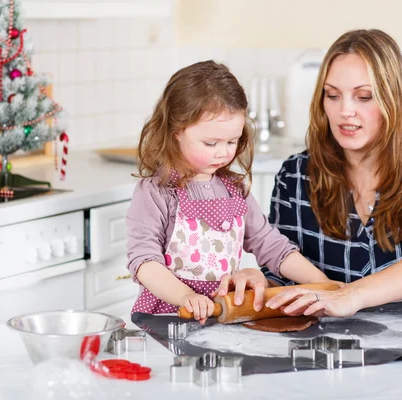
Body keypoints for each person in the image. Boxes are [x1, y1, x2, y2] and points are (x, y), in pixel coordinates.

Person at [220, 29, 402, 318]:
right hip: (329, 344)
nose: (344, 111)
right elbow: (290, 279)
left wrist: (353, 295)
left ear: (394, 99)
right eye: (333, 95)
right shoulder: (296, 174)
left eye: (364, 97)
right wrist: (260, 284)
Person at [126, 60, 333, 324]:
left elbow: (271, 246)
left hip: (221, 315)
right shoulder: (156, 192)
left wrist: (323, 284)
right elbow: (144, 262)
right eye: (210, 142)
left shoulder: (234, 190)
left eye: (232, 141)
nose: (223, 152)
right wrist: (185, 296)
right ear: (176, 132)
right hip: (168, 317)